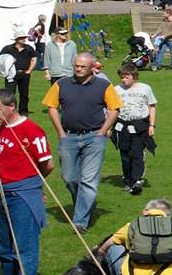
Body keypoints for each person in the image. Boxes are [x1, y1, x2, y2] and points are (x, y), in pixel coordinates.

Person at [0, 88, 53, 275]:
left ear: (10, 106)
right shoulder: (2, 129)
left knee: (24, 247)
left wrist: (32, 186)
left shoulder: (32, 130)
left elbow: (47, 164)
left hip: (22, 195)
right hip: (2, 193)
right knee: (2, 245)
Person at [41, 51, 120, 233]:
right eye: (76, 65)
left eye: (82, 66)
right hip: (68, 137)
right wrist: (60, 132)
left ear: (93, 67)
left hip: (94, 138)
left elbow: (114, 109)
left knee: (89, 180)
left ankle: (80, 222)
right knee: (69, 178)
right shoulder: (61, 84)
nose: (78, 69)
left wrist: (102, 131)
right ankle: (84, 205)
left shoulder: (104, 85)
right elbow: (52, 107)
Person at [112, 64, 158, 194]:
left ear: (134, 76)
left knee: (137, 153)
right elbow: (112, 109)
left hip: (140, 125)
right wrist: (109, 127)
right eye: (121, 77)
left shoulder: (145, 89)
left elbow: (152, 107)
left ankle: (137, 179)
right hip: (122, 125)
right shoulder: (116, 90)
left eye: (127, 76)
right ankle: (127, 180)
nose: (123, 79)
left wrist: (151, 125)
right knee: (125, 155)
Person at [4, 33, 38, 113]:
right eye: (21, 37)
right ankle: (10, 111)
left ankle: (23, 110)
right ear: (16, 39)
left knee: (24, 94)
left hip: (24, 74)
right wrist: (4, 71)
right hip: (10, 75)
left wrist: (29, 71)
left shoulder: (29, 48)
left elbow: (34, 59)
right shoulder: (8, 48)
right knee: (10, 93)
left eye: (24, 37)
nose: (24, 39)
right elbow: (0, 59)